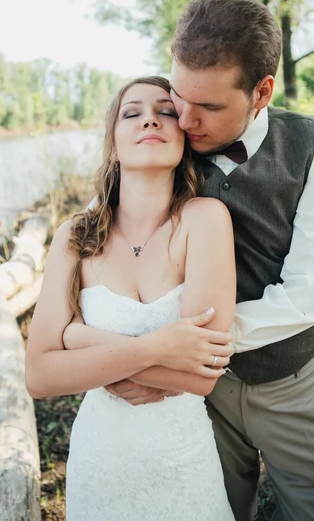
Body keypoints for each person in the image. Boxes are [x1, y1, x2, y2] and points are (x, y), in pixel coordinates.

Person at [106, 0, 314, 521]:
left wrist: (178, 347)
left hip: (293, 381)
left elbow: (310, 294)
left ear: (262, 91)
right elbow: (100, 229)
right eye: (180, 95)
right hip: (192, 397)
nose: (186, 119)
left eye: (211, 107)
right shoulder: (162, 135)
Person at [25, 75, 237, 520]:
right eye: (132, 113)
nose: (150, 121)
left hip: (183, 462)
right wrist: (157, 347)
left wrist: (80, 340)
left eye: (165, 111)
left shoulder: (205, 220)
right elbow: (40, 375)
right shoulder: (75, 236)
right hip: (101, 460)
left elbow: (201, 375)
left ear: (184, 136)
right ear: (114, 143)